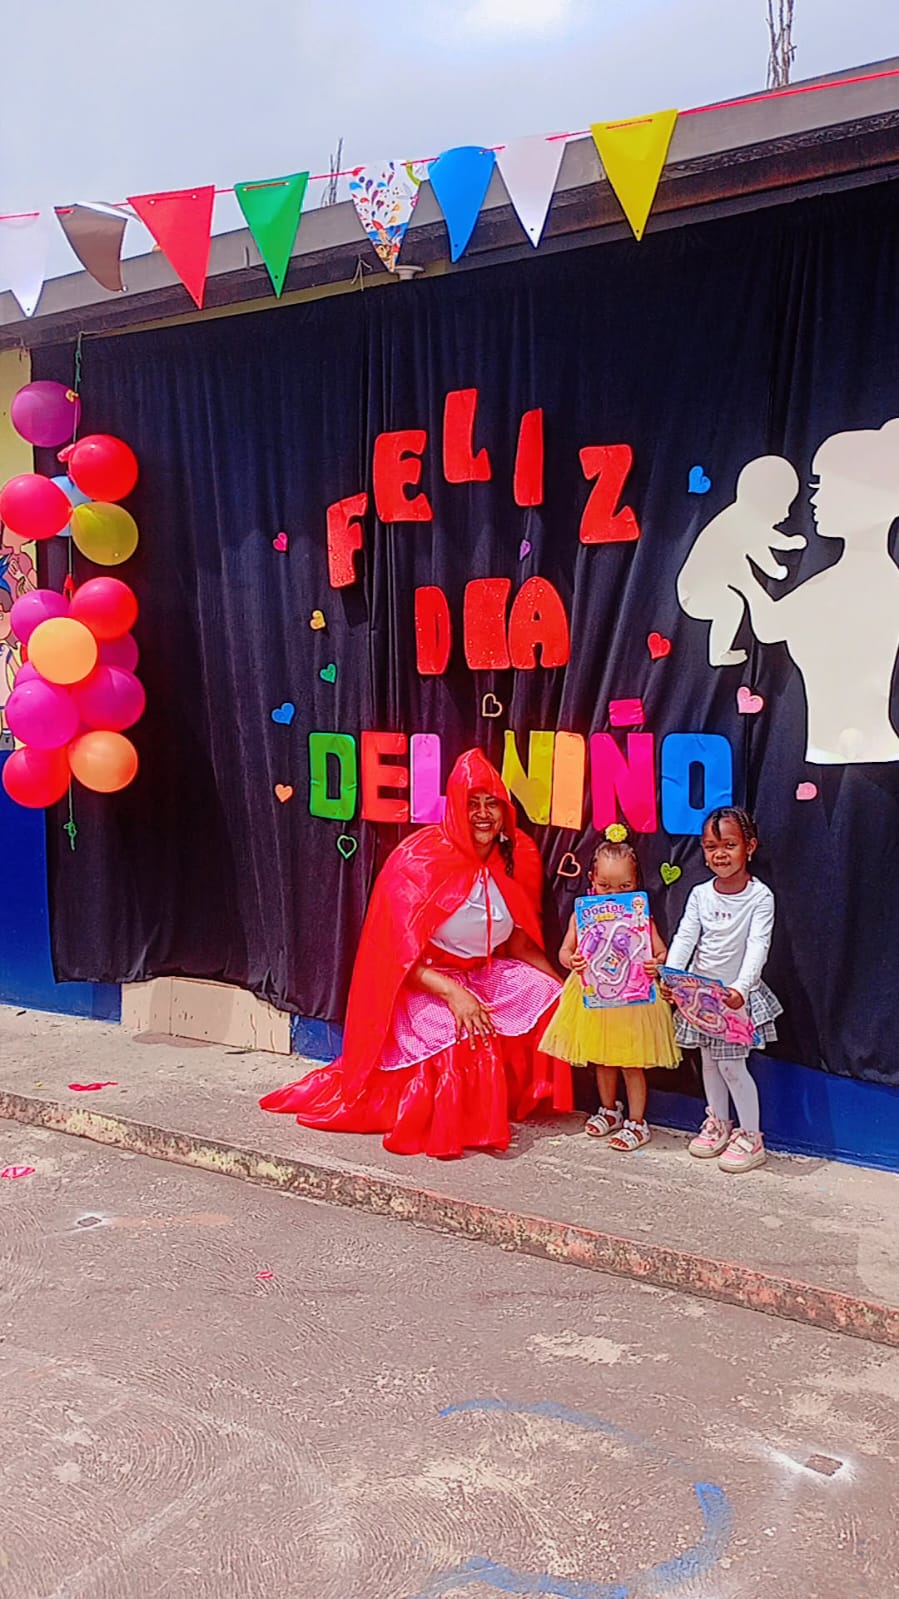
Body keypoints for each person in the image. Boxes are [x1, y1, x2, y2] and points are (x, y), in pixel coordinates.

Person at [260, 749, 571, 1159]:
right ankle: (462, 1122)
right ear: (454, 807)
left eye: (491, 803)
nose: (482, 814)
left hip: (482, 971)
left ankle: (518, 1100)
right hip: (424, 981)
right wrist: (453, 994)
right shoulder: (418, 860)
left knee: (550, 997)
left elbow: (518, 941)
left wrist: (563, 988)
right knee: (463, 1034)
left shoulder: (518, 855)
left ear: (504, 810)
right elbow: (392, 959)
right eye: (472, 803)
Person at [539, 826, 679, 1153]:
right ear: (592, 879)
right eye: (605, 885)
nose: (613, 893)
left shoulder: (641, 918)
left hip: (633, 1001)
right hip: (595, 997)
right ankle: (609, 1109)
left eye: (624, 886)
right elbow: (564, 951)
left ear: (636, 883)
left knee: (631, 1063)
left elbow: (661, 951)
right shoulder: (583, 916)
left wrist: (656, 963)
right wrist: (572, 960)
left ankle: (637, 1122)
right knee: (602, 1059)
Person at [661, 805, 781, 1174]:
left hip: (733, 1000)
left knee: (731, 1065)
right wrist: (672, 976)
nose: (720, 854)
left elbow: (758, 945)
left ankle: (751, 1137)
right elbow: (685, 937)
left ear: (750, 847)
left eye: (729, 845)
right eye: (711, 847)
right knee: (709, 1063)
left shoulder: (760, 897)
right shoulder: (700, 894)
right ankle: (718, 1122)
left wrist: (741, 989)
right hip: (700, 995)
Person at [676, 455, 803, 667]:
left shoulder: (742, 523)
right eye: (783, 506)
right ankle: (718, 654)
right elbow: (766, 539)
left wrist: (774, 570)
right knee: (732, 603)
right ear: (763, 502)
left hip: (716, 575)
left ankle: (768, 618)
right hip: (696, 590)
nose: (786, 514)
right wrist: (789, 543)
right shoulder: (740, 519)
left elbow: (756, 547)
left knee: (744, 579)